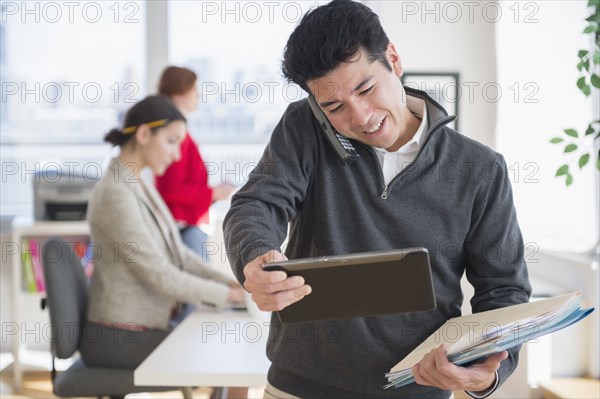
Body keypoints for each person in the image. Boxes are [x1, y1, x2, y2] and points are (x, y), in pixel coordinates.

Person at [222, 1, 532, 398]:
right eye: (334, 107)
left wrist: (488, 373)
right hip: (299, 388)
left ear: (393, 59)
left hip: (418, 391)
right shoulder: (304, 128)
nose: (362, 117)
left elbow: (503, 290)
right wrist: (255, 254)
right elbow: (257, 204)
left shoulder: (479, 168)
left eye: (366, 89)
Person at [81, 95, 245, 371]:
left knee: (229, 341)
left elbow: (180, 255)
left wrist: (231, 285)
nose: (177, 155)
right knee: (227, 349)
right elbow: (160, 274)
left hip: (143, 327)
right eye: (171, 142)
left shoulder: (138, 185)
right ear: (144, 134)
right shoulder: (115, 192)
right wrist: (230, 296)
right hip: (120, 335)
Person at [155, 66, 236, 262]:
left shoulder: (176, 131)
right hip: (184, 229)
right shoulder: (175, 135)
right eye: (193, 90)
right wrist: (214, 193)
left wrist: (213, 194)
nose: (198, 95)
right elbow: (172, 189)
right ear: (179, 93)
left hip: (187, 227)